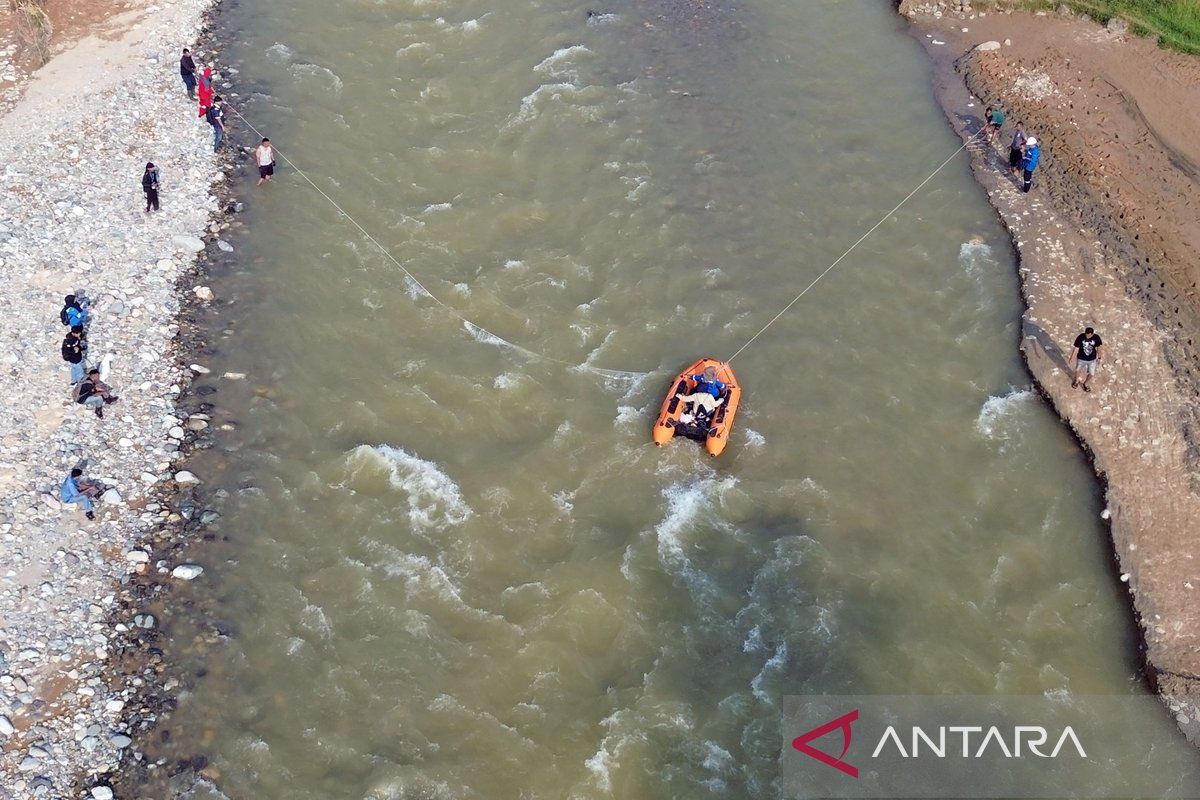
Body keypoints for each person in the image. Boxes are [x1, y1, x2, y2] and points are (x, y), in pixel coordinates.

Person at [1069, 326, 1103, 392]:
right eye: (1086, 335)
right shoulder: (1080, 337)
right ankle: (1076, 381)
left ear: (1092, 334)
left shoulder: (1096, 338)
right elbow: (1076, 348)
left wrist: (1099, 357)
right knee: (1077, 371)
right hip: (1081, 358)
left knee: (1091, 374)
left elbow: (1099, 348)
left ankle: (1085, 384)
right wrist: (1072, 357)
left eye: (1089, 336)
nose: (1087, 337)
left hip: (1092, 360)